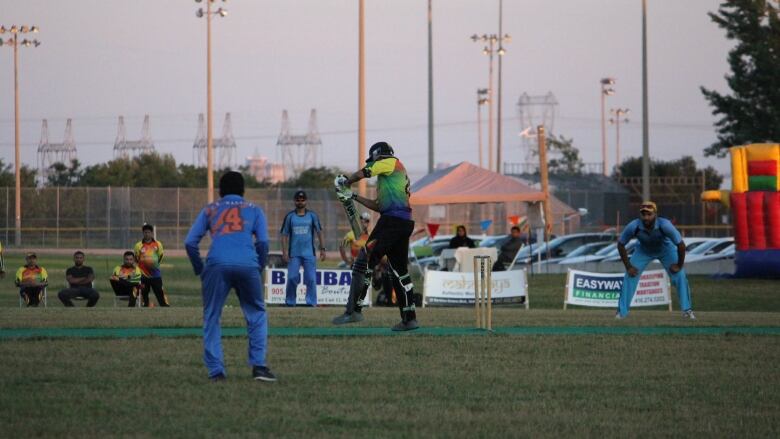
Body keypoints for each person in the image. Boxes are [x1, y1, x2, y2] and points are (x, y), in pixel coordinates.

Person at [185, 171, 275, 382]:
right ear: (243, 190)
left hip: (216, 264)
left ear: (220, 190)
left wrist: (200, 268)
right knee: (256, 313)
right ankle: (259, 367)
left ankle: (217, 371)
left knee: (212, 316)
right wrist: (258, 266)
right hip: (247, 264)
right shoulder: (254, 210)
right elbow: (263, 243)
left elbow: (190, 242)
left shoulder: (210, 209)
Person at [332, 141, 418, 331]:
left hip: (391, 222)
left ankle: (353, 311)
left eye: (374, 159)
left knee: (364, 257)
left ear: (379, 155)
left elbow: (365, 171)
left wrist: (345, 183)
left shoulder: (390, 162)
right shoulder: (392, 177)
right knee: (399, 271)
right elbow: (379, 206)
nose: (373, 163)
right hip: (403, 223)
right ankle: (409, 319)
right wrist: (353, 196)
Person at [616, 201, 695, 320]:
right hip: (643, 251)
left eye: (649, 214)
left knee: (679, 275)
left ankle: (687, 311)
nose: (646, 217)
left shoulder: (665, 225)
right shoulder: (634, 226)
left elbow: (681, 245)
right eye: (643, 214)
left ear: (655, 215)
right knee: (630, 276)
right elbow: (621, 244)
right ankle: (621, 313)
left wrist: (679, 265)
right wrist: (628, 267)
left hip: (666, 250)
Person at [279, 190, 325, 307]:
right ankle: (290, 302)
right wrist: (284, 252)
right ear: (294, 201)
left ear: (306, 201)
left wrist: (322, 249)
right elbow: (284, 235)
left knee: (310, 279)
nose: (300, 202)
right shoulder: (290, 217)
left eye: (302, 200)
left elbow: (319, 232)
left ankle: (311, 302)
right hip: (294, 254)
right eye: (298, 200)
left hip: (309, 253)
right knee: (292, 278)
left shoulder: (312, 216)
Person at [134, 223, 170, 307]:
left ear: (152, 233)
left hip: (155, 274)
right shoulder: (138, 245)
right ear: (143, 233)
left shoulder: (158, 244)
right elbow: (136, 258)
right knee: (144, 293)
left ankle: (164, 306)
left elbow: (160, 256)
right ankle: (145, 306)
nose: (147, 234)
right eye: (145, 232)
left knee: (159, 291)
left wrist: (153, 265)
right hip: (143, 275)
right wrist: (143, 265)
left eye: (149, 232)